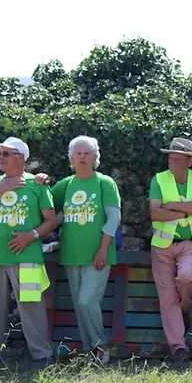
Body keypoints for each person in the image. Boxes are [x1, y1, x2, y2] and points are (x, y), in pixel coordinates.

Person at [34, 136, 121, 364]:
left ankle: (101, 346)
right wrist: (40, 181)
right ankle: (88, 350)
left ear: (95, 158)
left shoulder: (105, 183)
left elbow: (113, 219)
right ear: (71, 159)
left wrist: (103, 250)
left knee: (87, 302)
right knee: (79, 306)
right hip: (71, 255)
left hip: (98, 256)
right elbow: (43, 201)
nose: (82, 157)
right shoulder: (65, 185)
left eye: (87, 153)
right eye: (78, 154)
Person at [0, 137, 58, 364]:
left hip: (29, 257)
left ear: (21, 158)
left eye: (6, 153)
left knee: (32, 305)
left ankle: (42, 355)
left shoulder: (37, 184)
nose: (0, 158)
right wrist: (0, 190)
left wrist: (31, 236)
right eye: (0, 153)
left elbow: (51, 221)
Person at [148, 137, 192, 362]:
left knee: (186, 277)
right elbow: (155, 213)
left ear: (190, 161)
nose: (172, 162)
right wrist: (188, 210)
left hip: (191, 243)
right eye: (170, 158)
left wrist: (173, 207)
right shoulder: (158, 179)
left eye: (177, 159)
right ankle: (179, 348)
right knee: (167, 298)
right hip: (162, 245)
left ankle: (185, 303)